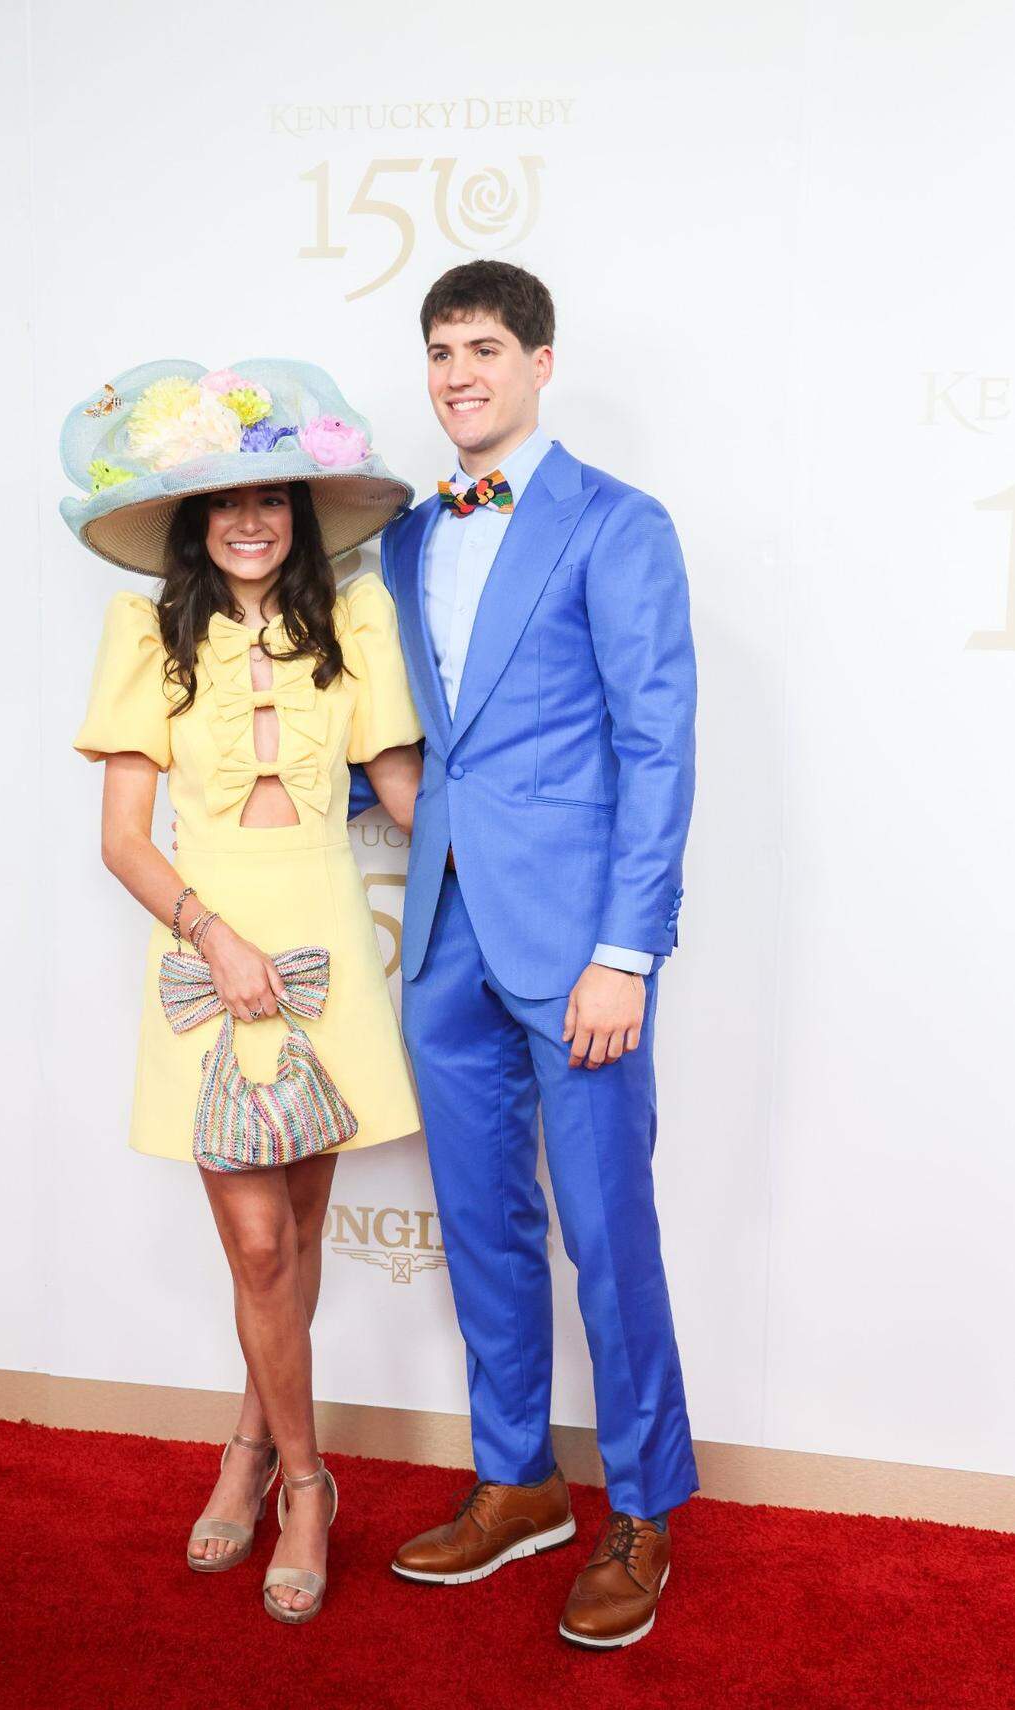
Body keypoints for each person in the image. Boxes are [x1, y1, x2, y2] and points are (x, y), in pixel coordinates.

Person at [63, 359, 423, 1625]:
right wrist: (210, 935)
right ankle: (305, 1480)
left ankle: (248, 1445)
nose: (252, 519)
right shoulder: (145, 635)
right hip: (207, 938)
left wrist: (533, 884)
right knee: (257, 1240)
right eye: (224, 502)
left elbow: (401, 792)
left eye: (272, 496)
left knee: (302, 1238)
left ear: (301, 511)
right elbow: (122, 837)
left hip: (325, 926)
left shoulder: (357, 621)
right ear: (192, 521)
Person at [380, 262, 699, 1649]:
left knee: (606, 1231)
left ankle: (641, 1509)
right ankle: (517, 1480)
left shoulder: (619, 525)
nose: (461, 372)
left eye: (487, 347)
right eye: (442, 349)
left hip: (579, 946)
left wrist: (627, 949)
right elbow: (409, 730)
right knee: (480, 1226)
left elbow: (656, 745)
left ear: (542, 362)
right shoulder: (399, 538)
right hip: (441, 933)